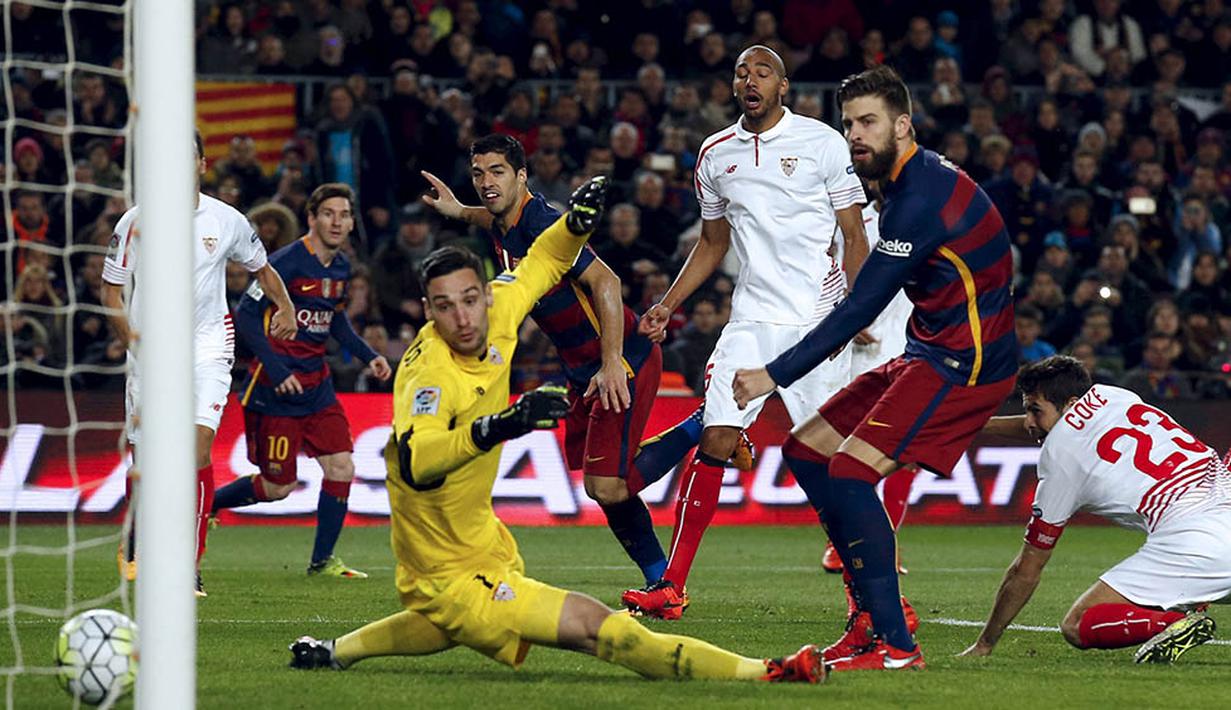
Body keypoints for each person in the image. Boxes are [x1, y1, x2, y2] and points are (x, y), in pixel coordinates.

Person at [286, 178, 824, 685]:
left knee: (444, 619)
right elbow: (418, 460)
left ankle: (335, 651)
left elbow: (544, 259)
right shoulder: (427, 375)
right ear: (427, 312)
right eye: (445, 307)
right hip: (450, 569)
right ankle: (770, 672)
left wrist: (576, 223)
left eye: (471, 299)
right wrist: (500, 426)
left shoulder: (500, 308)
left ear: (486, 292)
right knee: (601, 629)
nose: (464, 318)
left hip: (479, 549)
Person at [731, 65, 1018, 671]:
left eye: (868, 123)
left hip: (966, 365)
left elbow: (861, 306)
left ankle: (896, 644)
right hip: (931, 349)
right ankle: (867, 620)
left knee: (853, 473)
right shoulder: (908, 182)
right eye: (848, 125)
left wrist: (771, 374)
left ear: (903, 125)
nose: (854, 136)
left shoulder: (917, 202)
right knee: (806, 452)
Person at [627, 44, 869, 619]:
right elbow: (712, 244)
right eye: (741, 72)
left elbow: (854, 236)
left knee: (834, 463)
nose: (750, 79)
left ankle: (866, 602)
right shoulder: (714, 153)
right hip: (752, 322)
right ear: (734, 88)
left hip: (817, 324)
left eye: (763, 71)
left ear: (783, 86)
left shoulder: (823, 144)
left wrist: (854, 314)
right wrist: (667, 303)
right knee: (715, 438)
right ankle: (672, 587)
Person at [420, 135, 711, 590]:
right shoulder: (503, 222)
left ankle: (703, 424)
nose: (486, 183)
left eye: (497, 171)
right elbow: (486, 215)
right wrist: (458, 210)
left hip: (621, 359)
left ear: (521, 176)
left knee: (609, 486)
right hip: (581, 368)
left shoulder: (543, 222)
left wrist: (612, 361)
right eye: (478, 173)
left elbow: (607, 282)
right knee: (602, 487)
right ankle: (661, 583)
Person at [102, 131, 297, 596]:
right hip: (150, 351)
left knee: (199, 447)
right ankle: (137, 536)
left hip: (208, 345)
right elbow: (111, 290)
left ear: (203, 165)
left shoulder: (226, 220)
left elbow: (262, 268)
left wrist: (285, 307)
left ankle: (187, 565)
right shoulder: (135, 221)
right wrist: (131, 339)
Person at [963, 356, 1226, 664]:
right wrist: (974, 427)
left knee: (1076, 624)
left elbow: (1026, 570)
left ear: (1072, 403)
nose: (1028, 421)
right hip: (1223, 497)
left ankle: (1176, 624)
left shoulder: (1061, 462)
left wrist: (985, 642)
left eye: (1035, 410)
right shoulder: (1113, 395)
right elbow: (1057, 429)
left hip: (1197, 541)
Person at [213, 183, 392, 578]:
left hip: (317, 387)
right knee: (279, 488)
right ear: (311, 218)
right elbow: (245, 313)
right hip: (275, 389)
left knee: (342, 467)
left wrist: (370, 356)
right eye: (328, 213)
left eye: (344, 215)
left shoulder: (342, 266)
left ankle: (322, 561)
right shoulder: (286, 262)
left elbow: (336, 321)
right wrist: (278, 371)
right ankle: (209, 504)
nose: (337, 222)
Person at [821, 186, 919, 576]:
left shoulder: (923, 219)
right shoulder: (850, 221)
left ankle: (887, 543)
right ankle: (840, 543)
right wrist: (843, 315)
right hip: (854, 356)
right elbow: (822, 271)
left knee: (904, 454)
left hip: (908, 348)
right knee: (846, 450)